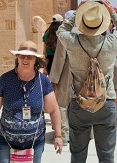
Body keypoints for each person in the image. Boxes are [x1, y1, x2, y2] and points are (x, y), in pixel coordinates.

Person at [57, 0, 117, 163]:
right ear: (103, 24)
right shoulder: (111, 43)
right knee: (106, 156)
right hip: (106, 103)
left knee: (77, 155)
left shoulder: (72, 42)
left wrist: (78, 11)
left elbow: (61, 30)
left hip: (79, 103)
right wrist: (112, 11)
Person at [0, 41, 63, 162]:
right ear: (18, 58)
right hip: (6, 140)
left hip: (35, 142)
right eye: (22, 56)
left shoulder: (43, 82)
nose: (25, 59)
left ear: (35, 60)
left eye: (29, 57)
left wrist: (58, 136)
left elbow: (53, 109)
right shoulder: (5, 80)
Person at [49, 10, 74, 146]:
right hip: (84, 74)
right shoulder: (87, 33)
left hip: (67, 73)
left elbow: (60, 58)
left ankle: (64, 135)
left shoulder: (64, 35)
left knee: (62, 105)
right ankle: (85, 133)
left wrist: (54, 79)